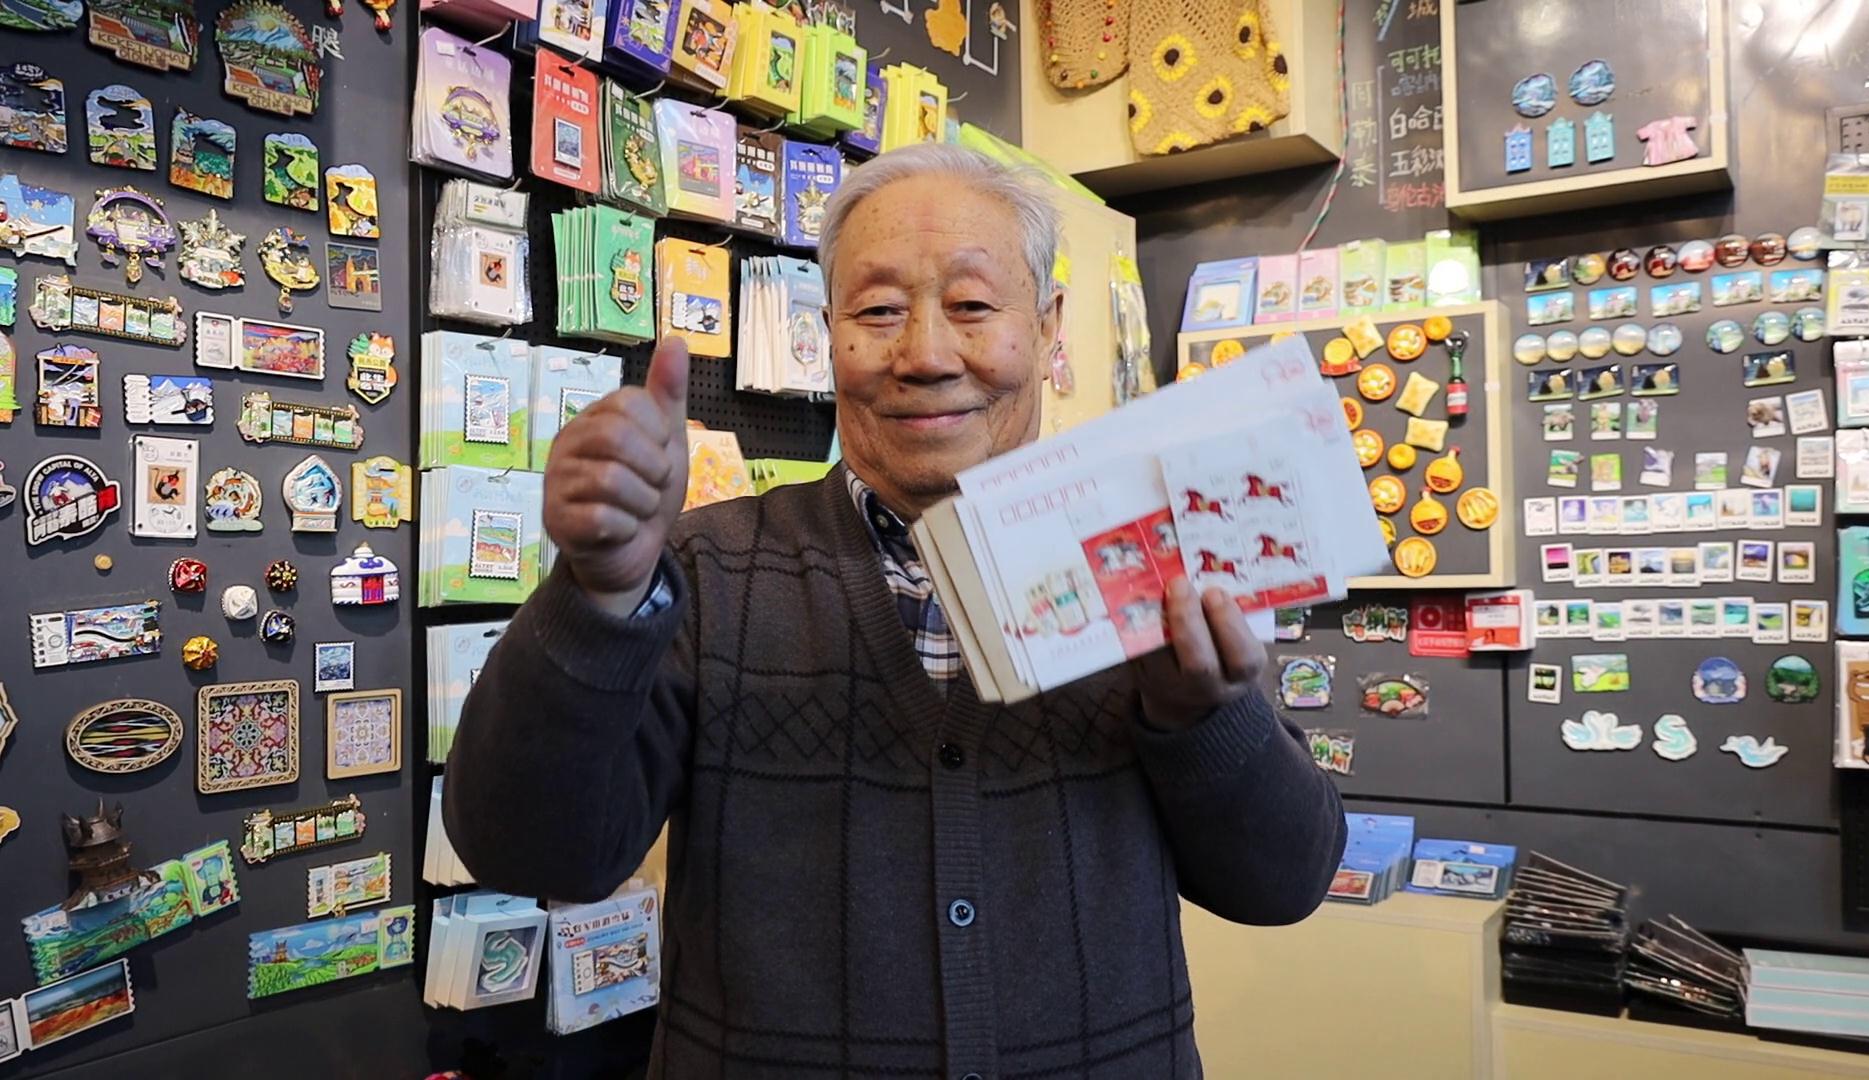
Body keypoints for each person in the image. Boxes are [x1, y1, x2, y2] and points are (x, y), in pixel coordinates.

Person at [445, 143, 1346, 1079]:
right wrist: (597, 598)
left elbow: (1285, 880)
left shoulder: (1152, 555)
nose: (924, 355)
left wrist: (1202, 716)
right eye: (877, 311)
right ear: (827, 334)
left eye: (973, 306)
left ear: (1048, 328)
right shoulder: (703, 571)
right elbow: (532, 852)